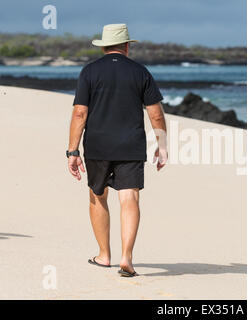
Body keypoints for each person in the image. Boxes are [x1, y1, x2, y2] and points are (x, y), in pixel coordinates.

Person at [66, 23, 168, 277]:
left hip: (97, 145)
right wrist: (162, 146)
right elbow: (155, 114)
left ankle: (104, 255)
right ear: (126, 46)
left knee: (97, 195)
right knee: (129, 198)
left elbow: (80, 112)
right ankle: (127, 258)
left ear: (103, 47)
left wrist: (72, 151)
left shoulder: (89, 72)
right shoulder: (140, 72)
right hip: (130, 145)